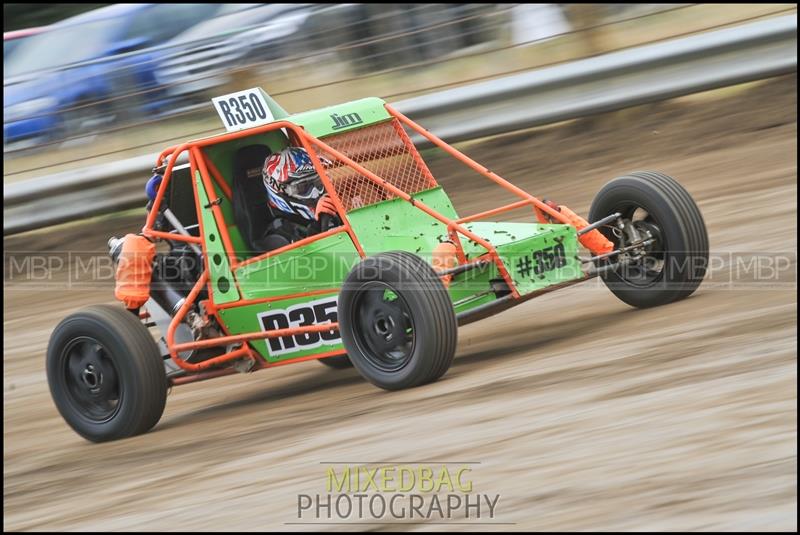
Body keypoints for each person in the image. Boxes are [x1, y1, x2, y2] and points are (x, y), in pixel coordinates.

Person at [258, 146, 341, 251]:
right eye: (304, 187)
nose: (315, 193)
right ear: (279, 191)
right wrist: (318, 224)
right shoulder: (277, 238)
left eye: (318, 183)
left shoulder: (327, 208)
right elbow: (317, 263)